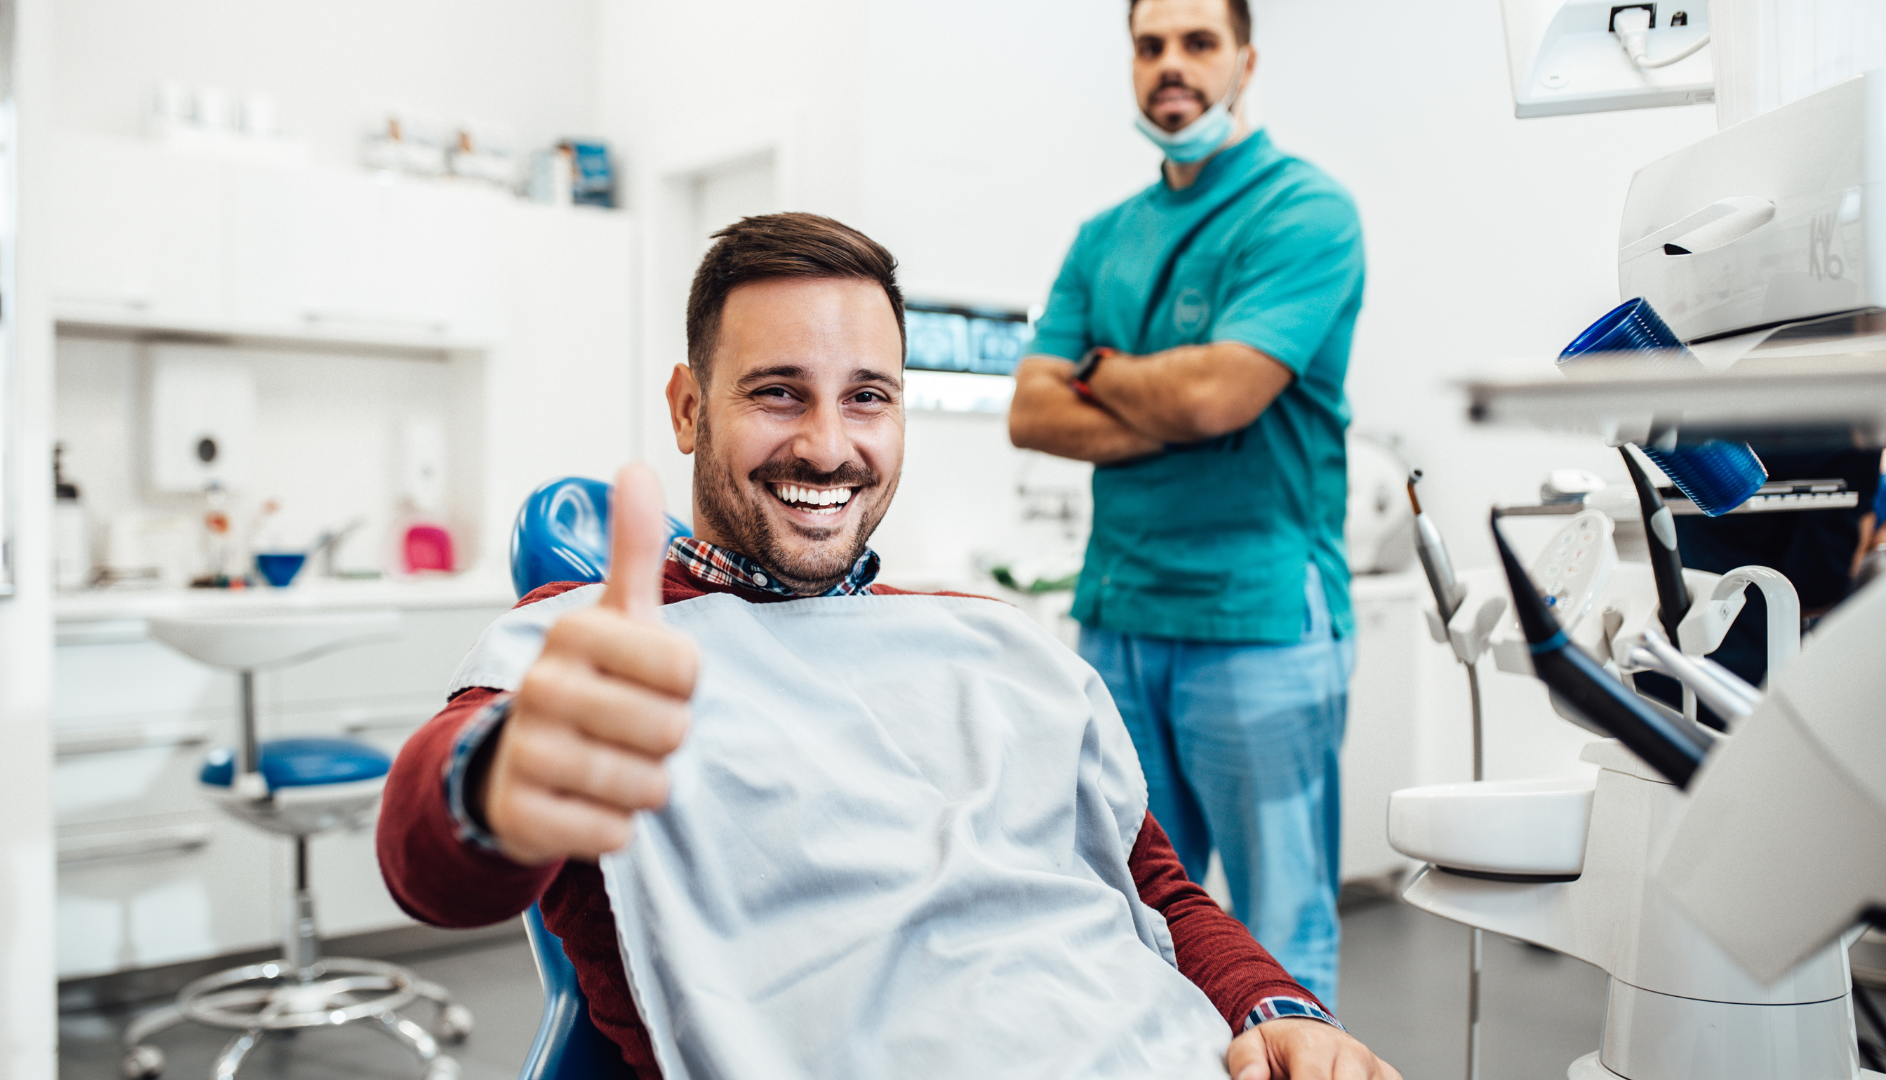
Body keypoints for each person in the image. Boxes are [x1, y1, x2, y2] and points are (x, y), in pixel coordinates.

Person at [378, 213, 1398, 1080]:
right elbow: (428, 857)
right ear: (689, 409)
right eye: (778, 392)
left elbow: (1155, 892)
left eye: (866, 396)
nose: (828, 446)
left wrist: (1276, 1006)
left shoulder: (1002, 647)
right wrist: (498, 781)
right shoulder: (592, 654)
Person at [1006, 0, 1364, 1009]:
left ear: (1244, 60)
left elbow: (1223, 394)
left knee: (1276, 929)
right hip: (1118, 615)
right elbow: (1030, 413)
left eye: (1198, 43)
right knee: (1123, 914)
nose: (1172, 65)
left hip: (1258, 621)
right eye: (1150, 45)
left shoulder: (1304, 211)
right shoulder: (1103, 235)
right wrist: (1185, 403)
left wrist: (1105, 372)